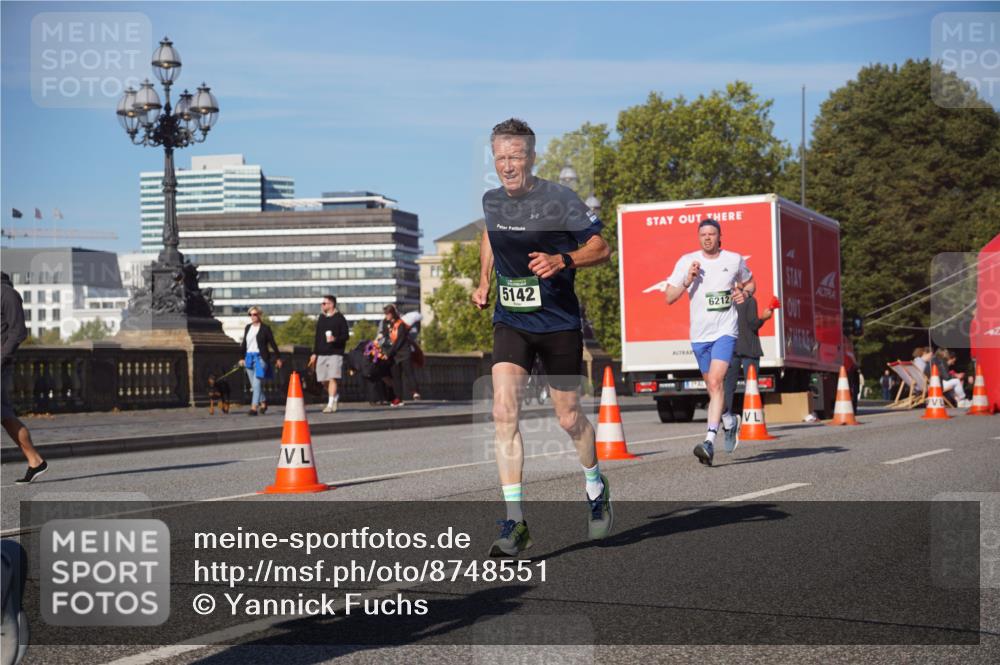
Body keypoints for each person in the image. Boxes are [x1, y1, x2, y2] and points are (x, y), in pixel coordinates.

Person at [472, 118, 613, 556]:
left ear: (531, 157)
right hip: (511, 320)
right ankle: (516, 524)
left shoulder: (560, 199)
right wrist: (483, 281)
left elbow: (601, 248)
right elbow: (490, 237)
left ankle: (594, 485)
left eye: (515, 156)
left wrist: (562, 259)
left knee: (569, 419)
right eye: (500, 157)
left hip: (557, 323)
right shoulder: (492, 200)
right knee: (502, 412)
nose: (508, 165)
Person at [666, 218, 754, 467]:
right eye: (703, 234)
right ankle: (728, 419)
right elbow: (669, 297)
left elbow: (750, 282)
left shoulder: (734, 259)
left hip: (725, 331)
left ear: (719, 236)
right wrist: (687, 280)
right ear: (698, 237)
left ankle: (708, 441)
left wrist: (744, 292)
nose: (707, 238)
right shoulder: (687, 261)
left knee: (716, 382)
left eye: (712, 234)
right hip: (699, 336)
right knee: (712, 387)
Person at [1, 272, 47, 483]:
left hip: (1, 365)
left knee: (5, 415)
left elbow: (18, 332)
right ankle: (35, 460)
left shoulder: (8, 294)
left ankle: (35, 460)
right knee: (5, 416)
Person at [721, 283, 774, 452]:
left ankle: (727, 420)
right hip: (749, 349)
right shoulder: (750, 301)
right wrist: (765, 317)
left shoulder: (727, 301)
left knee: (728, 386)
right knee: (751, 387)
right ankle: (751, 420)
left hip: (732, 348)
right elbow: (752, 324)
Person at [308, 295, 349, 413]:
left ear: (331, 304)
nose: (322, 305)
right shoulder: (321, 318)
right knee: (323, 380)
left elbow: (345, 336)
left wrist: (335, 339)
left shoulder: (340, 318)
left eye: (324, 303)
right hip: (322, 353)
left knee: (332, 378)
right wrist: (314, 353)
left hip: (335, 353)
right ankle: (334, 396)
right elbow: (317, 337)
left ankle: (330, 404)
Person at [239, 306, 282, 416]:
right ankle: (263, 403)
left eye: (255, 314)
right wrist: (241, 358)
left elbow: (272, 343)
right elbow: (244, 343)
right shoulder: (248, 327)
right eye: (251, 315)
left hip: (261, 358)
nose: (252, 317)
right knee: (254, 384)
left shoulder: (265, 328)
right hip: (249, 357)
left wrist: (278, 357)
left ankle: (254, 408)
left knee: (257, 381)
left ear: (259, 315)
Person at [379, 305, 418, 407]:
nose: (386, 316)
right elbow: (385, 335)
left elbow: (399, 341)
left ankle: (415, 391)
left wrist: (389, 353)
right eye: (385, 314)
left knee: (409, 373)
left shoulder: (400, 324)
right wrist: (381, 338)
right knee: (396, 377)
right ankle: (398, 398)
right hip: (394, 355)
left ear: (393, 314)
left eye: (388, 314)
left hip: (403, 352)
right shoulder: (385, 323)